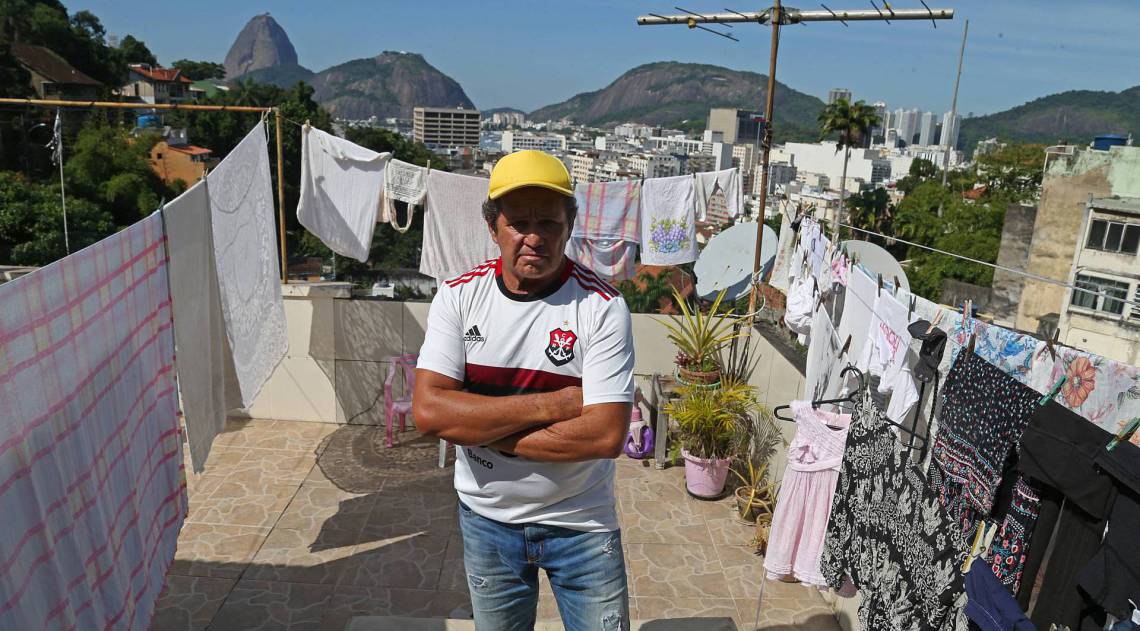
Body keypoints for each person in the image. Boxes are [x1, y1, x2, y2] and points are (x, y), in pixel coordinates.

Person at [414, 150, 635, 631]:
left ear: (569, 225)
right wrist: (555, 403)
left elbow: (603, 436)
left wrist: (478, 428)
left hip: (581, 524)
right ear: (493, 228)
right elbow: (430, 413)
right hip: (487, 520)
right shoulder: (458, 297)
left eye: (549, 223)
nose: (533, 238)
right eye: (518, 223)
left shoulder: (602, 307)